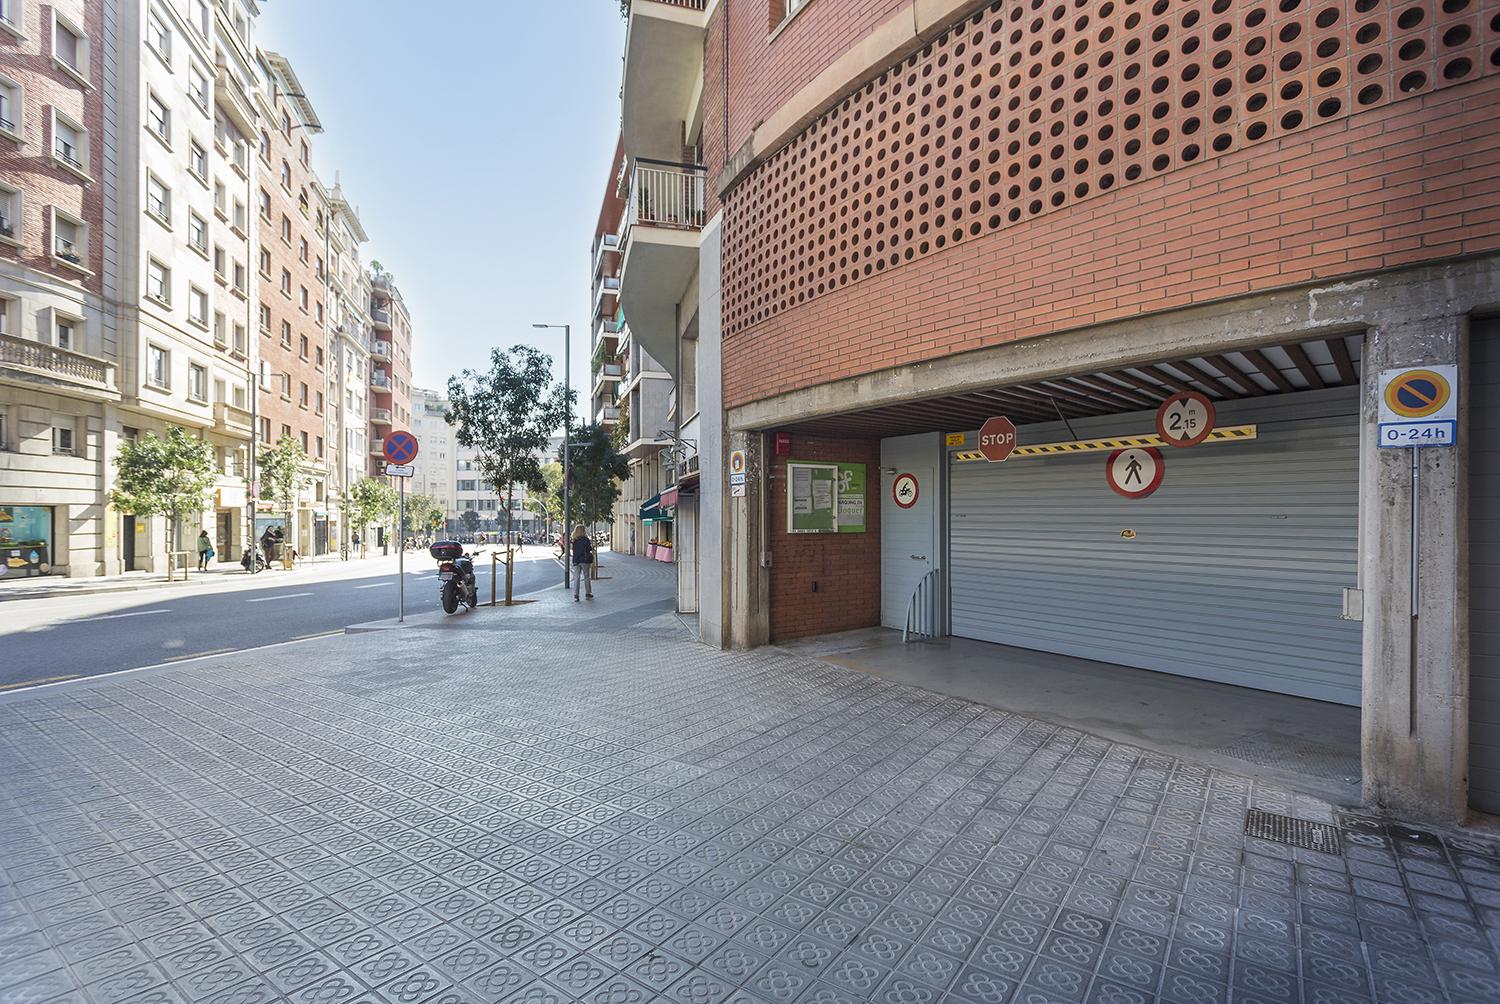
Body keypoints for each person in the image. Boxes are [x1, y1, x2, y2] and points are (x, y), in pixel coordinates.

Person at [571, 525, 595, 602]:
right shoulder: (585, 539)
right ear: (583, 531)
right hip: (585, 560)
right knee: (586, 577)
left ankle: (576, 595)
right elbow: (589, 549)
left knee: (576, 578)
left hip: (576, 560)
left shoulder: (574, 540)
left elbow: (574, 550)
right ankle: (588, 593)